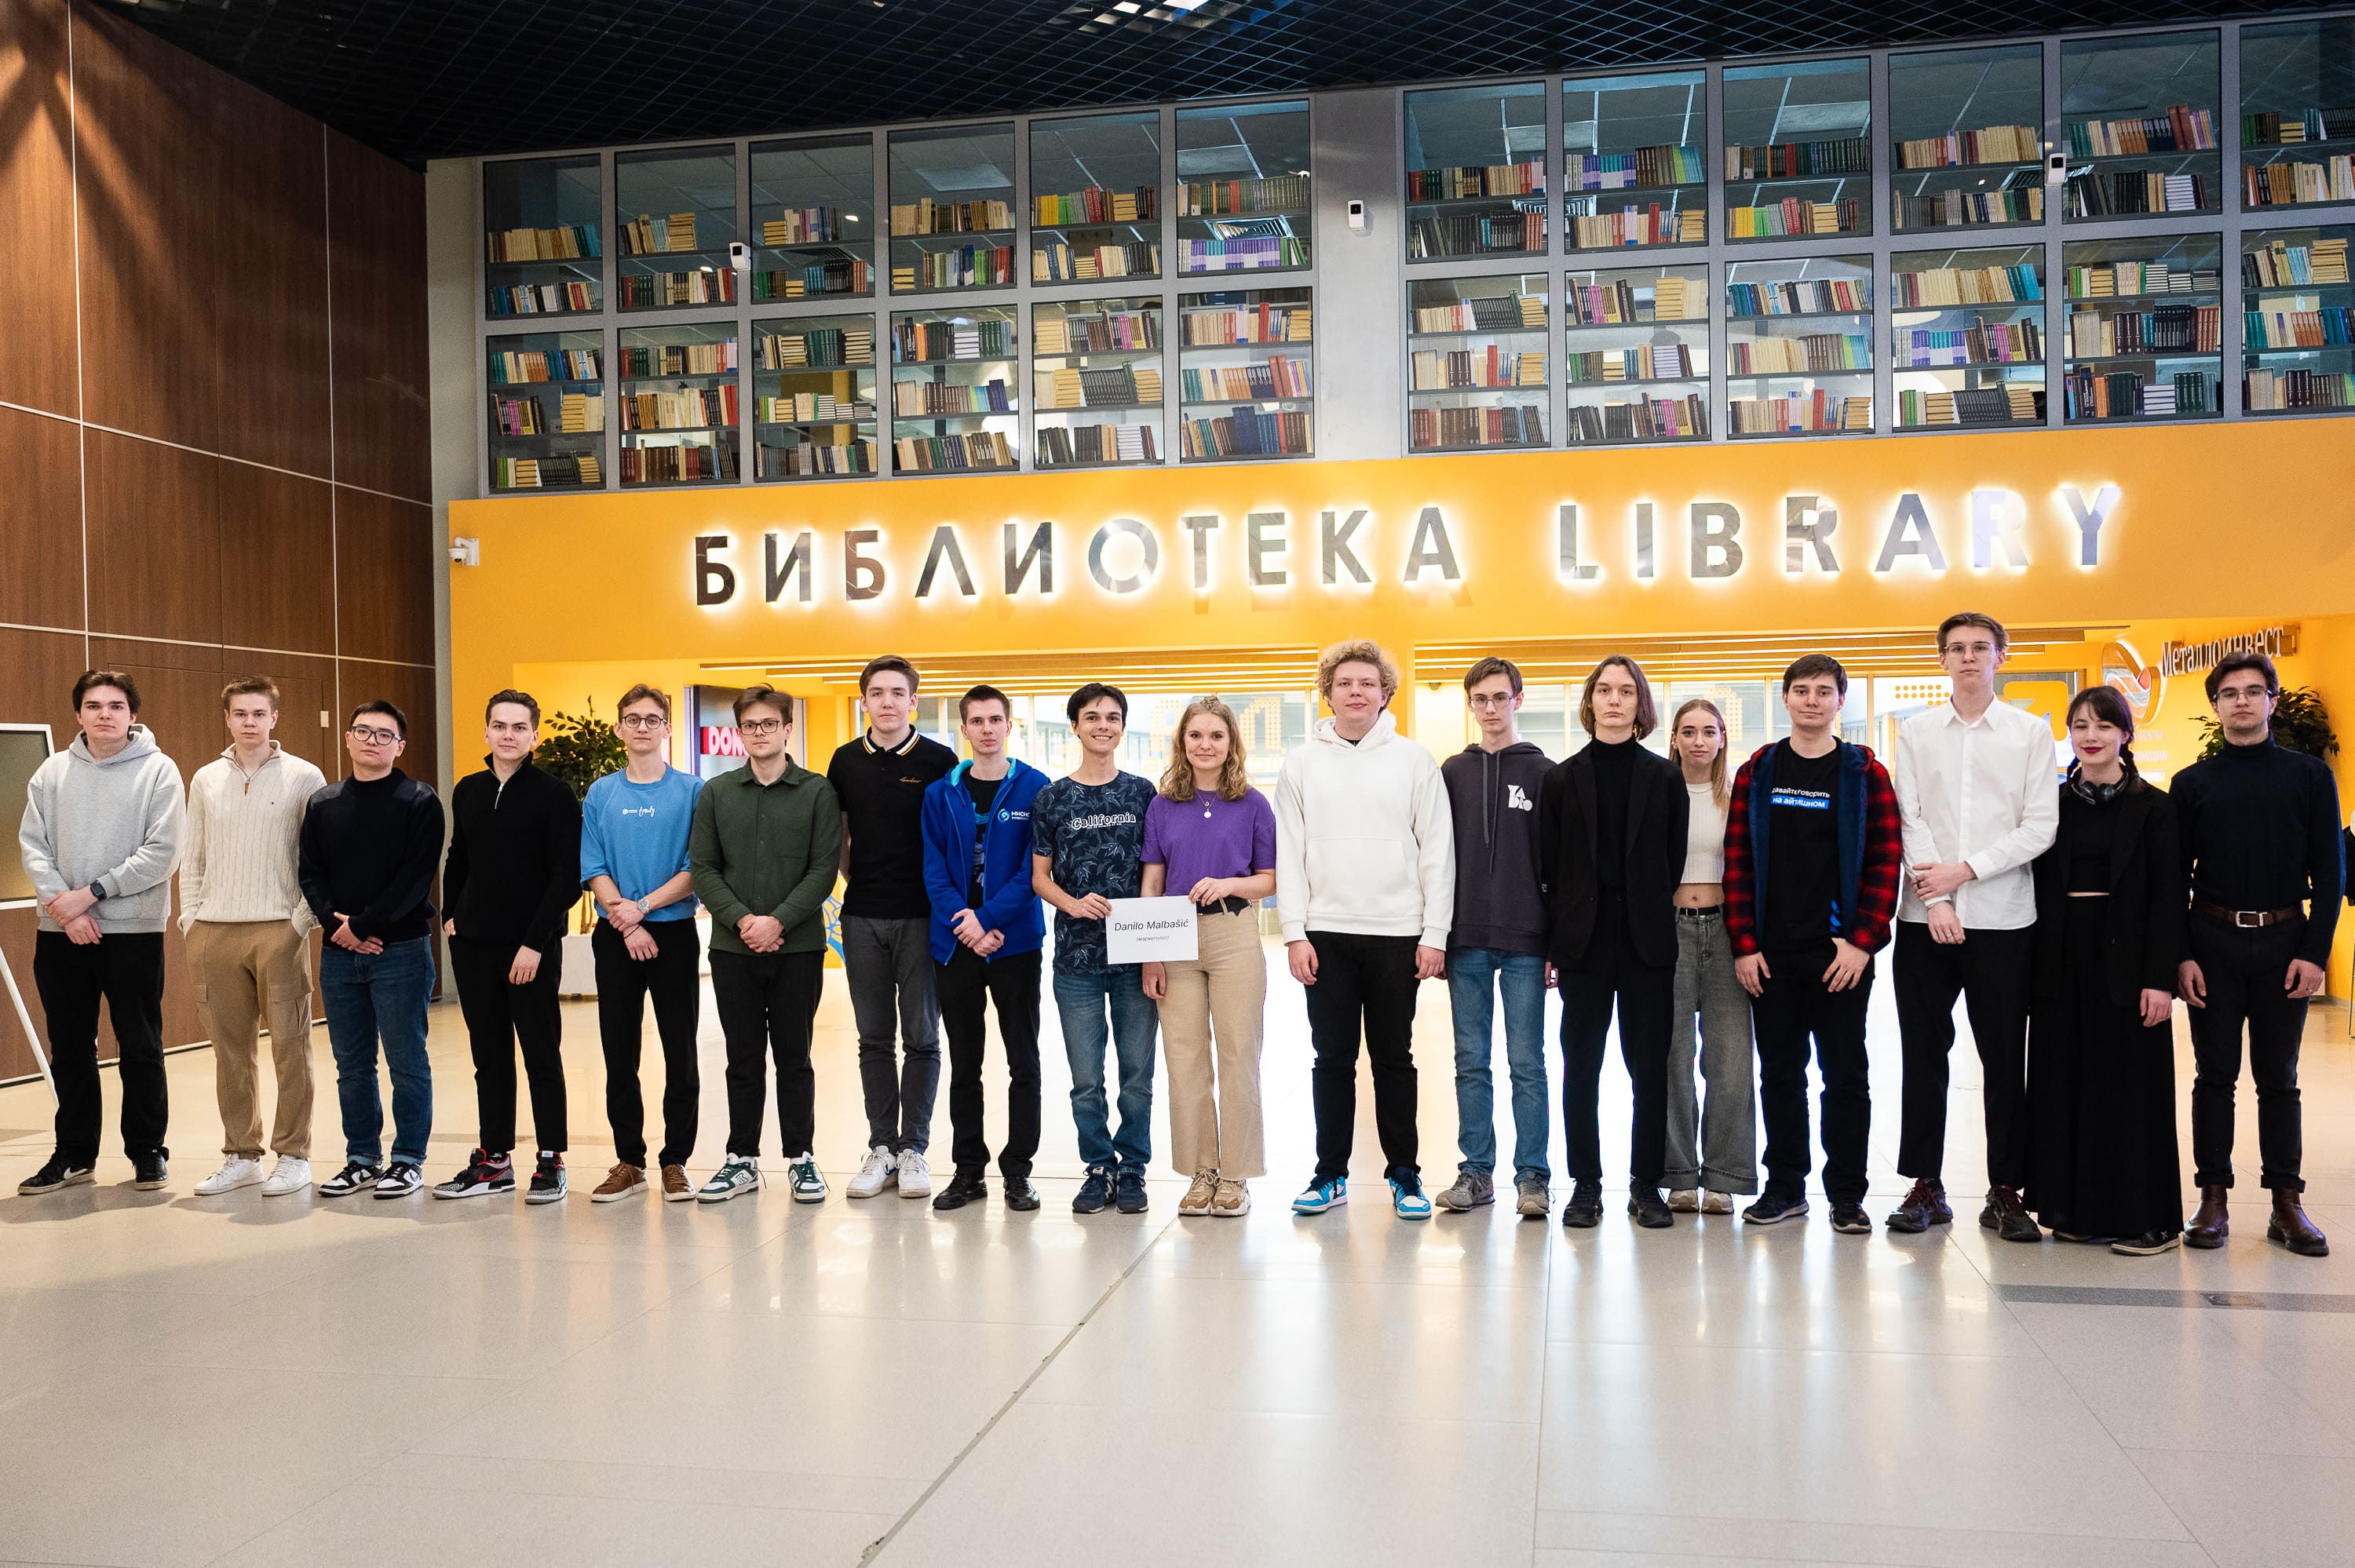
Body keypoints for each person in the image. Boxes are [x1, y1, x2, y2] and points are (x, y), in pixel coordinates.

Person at [1888, 613, 2059, 1242]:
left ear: (2000, 657)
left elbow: (2040, 827)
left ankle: (2006, 1189)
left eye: (1980, 648)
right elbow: (1908, 818)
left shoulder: (2029, 733)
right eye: (1956, 648)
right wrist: (1936, 899)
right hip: (1923, 920)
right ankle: (1925, 1185)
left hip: (2004, 920)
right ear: (1942, 660)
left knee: (2003, 1057)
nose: (1967, 657)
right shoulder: (1917, 731)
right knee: (1923, 1055)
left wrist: (1965, 872)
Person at [1724, 655, 1903, 1234]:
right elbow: (1738, 862)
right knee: (1780, 1075)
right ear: (1785, 699)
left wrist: (1862, 943)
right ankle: (1785, 1188)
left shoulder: (1864, 773)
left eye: (1823, 692)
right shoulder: (1758, 772)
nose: (1811, 701)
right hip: (1770, 956)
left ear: (1839, 701)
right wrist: (1744, 945)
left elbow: (1885, 860)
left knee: (1845, 1075)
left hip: (1840, 957)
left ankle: (1847, 1196)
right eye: (1801, 691)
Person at [1277, 640, 1454, 1221]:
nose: (1356, 691)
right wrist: (1294, 932)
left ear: (1385, 694)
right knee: (1331, 1058)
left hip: (1397, 934)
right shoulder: (1301, 763)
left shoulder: (1415, 760)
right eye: (1345, 683)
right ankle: (1330, 1175)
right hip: (1324, 934)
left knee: (1394, 1059)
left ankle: (1404, 1173)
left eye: (1367, 683)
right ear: (1328, 694)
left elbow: (1438, 850)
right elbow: (1289, 852)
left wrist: (1434, 933)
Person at [2174, 651, 2343, 1257]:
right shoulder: (2192, 784)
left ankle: (2286, 1203)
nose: (2241, 701)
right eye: (2229, 693)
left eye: (2252, 691)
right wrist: (2183, 955)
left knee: (2279, 1078)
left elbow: (2331, 871)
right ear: (2216, 705)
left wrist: (2315, 952)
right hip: (2212, 941)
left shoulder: (2309, 776)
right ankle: (2212, 1198)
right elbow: (2173, 879)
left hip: (2284, 942)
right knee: (2214, 1076)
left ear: (2272, 701)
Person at [2025, 687, 2185, 1256]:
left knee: (2133, 1089)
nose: (2090, 736)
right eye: (2080, 726)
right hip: (2061, 959)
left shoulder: (2155, 807)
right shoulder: (2051, 804)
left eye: (2103, 725)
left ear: (2125, 735)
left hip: (2129, 962)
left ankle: (2152, 1220)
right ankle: (2078, 1211)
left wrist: (2159, 979)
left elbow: (2170, 898)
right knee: (2065, 1084)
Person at [15, 670, 184, 1197]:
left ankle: (148, 1151)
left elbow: (162, 854)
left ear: (133, 715)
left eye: (116, 706)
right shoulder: (51, 773)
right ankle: (74, 1155)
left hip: (132, 931)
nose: (104, 714)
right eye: (94, 705)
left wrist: (89, 895)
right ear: (78, 714)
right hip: (61, 931)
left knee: (140, 1045)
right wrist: (66, 910)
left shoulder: (159, 771)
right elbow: (33, 846)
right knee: (69, 1048)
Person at [1543, 656, 1688, 1229]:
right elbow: (1550, 867)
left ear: (1639, 704)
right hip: (1584, 942)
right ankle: (1585, 1185)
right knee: (1580, 1068)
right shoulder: (1561, 779)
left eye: (1626, 692)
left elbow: (1673, 857)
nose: (1614, 700)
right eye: (1604, 690)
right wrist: (1556, 941)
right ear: (1591, 701)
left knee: (1649, 1069)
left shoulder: (1665, 778)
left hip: (1647, 941)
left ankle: (1645, 1185)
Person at [689, 684, 842, 1205]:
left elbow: (823, 870)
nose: (759, 733)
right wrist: (743, 921)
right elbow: (704, 868)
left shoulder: (818, 792)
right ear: (740, 733)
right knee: (742, 1058)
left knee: (795, 1058)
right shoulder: (717, 793)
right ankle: (742, 1160)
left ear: (787, 729)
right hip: (732, 951)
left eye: (769, 724)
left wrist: (777, 921)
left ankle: (801, 1159)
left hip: (799, 949)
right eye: (750, 725)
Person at [436, 690, 584, 1205]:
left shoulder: (555, 795)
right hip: (474, 945)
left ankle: (551, 1159)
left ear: (534, 736)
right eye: (499, 725)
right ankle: (495, 1159)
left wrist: (534, 943)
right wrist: (450, 915)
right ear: (486, 731)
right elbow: (459, 856)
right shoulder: (468, 789)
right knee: (490, 1056)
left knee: (541, 1054)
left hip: (531, 950)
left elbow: (566, 876)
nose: (508, 735)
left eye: (519, 727)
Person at [182, 676, 327, 1198]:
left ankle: (294, 1156)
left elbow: (318, 857)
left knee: (291, 1047)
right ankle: (241, 1155)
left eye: (258, 713)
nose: (249, 722)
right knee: (230, 1052)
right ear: (227, 718)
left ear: (274, 718)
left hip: (279, 929)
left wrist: (300, 921)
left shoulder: (304, 777)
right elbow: (193, 856)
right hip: (214, 932)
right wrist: (191, 920)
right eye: (239, 713)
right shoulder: (205, 779)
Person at [299, 701, 444, 1200]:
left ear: (399, 746)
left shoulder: (418, 799)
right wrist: (337, 926)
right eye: (362, 731)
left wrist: (362, 925)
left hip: (400, 951)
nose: (372, 741)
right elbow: (310, 873)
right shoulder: (323, 802)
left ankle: (407, 1159)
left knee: (407, 1060)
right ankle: (361, 1158)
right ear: (348, 738)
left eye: (384, 735)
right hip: (339, 953)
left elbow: (416, 876)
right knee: (352, 1065)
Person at [1141, 698, 1275, 1218]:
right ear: (1183, 742)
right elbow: (1153, 882)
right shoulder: (1162, 805)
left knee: (1239, 1054)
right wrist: (1150, 954)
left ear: (1231, 742)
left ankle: (1236, 1174)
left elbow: (1270, 879)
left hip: (1233, 933)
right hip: (1173, 935)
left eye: (1216, 735)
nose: (1205, 744)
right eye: (1195, 735)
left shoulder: (1254, 804)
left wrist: (1229, 883)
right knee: (1185, 1059)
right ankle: (1202, 1171)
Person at [829, 655, 956, 1202]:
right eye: (877, 693)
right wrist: (856, 880)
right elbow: (840, 838)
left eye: (897, 693)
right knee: (874, 1038)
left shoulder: (939, 760)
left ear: (913, 702)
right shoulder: (844, 761)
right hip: (862, 916)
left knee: (922, 1037)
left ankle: (914, 1151)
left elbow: (950, 840)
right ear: (864, 701)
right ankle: (881, 1148)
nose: (887, 702)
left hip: (923, 917)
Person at [1031, 682, 1160, 1215]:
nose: (1102, 725)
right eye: (1092, 717)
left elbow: (1157, 871)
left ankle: (1132, 1168)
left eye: (1112, 717)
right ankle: (1098, 1166)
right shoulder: (1053, 797)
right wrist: (1072, 903)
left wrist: (1156, 948)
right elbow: (1040, 877)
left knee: (1136, 1076)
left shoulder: (1143, 793)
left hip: (1135, 959)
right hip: (1076, 961)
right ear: (1076, 726)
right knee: (1086, 1080)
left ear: (1122, 727)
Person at [921, 685, 1049, 1212]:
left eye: (996, 719)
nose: (987, 729)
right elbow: (932, 869)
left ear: (1009, 725)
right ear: (964, 729)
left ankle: (1018, 1171)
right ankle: (968, 1171)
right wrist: (967, 925)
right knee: (965, 1062)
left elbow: (1034, 870)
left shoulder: (1036, 788)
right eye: (977, 721)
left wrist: (989, 919)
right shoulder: (940, 793)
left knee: (1024, 1060)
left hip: (1014, 943)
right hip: (956, 946)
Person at [1438, 658, 1554, 1219]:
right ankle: (1476, 1172)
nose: (1489, 708)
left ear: (1518, 700)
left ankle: (1533, 1177)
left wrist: (1556, 942)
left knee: (1527, 1061)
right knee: (1471, 1060)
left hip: (1528, 938)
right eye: (1479, 699)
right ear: (1471, 704)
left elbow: (1557, 864)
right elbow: (1434, 857)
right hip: (1466, 938)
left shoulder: (1545, 773)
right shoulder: (1452, 773)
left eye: (1499, 698)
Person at [580, 684, 704, 1203]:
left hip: (673, 933)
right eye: (632, 719)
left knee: (681, 1051)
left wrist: (644, 909)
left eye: (653, 719)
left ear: (668, 728)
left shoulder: (693, 791)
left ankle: (675, 1161)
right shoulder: (601, 793)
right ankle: (630, 1161)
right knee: (619, 1052)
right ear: (619, 728)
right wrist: (627, 923)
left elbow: (698, 867)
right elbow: (593, 866)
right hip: (616, 935)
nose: (643, 727)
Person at [1663, 697, 1756, 1214]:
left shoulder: (1738, 795)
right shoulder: (1660, 792)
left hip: (1727, 931)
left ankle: (1723, 1177)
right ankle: (1678, 1175)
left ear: (1722, 739)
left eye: (1708, 731)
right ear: (1674, 739)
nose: (1699, 741)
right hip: (1670, 931)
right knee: (1672, 1056)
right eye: (1688, 731)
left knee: (1730, 1058)